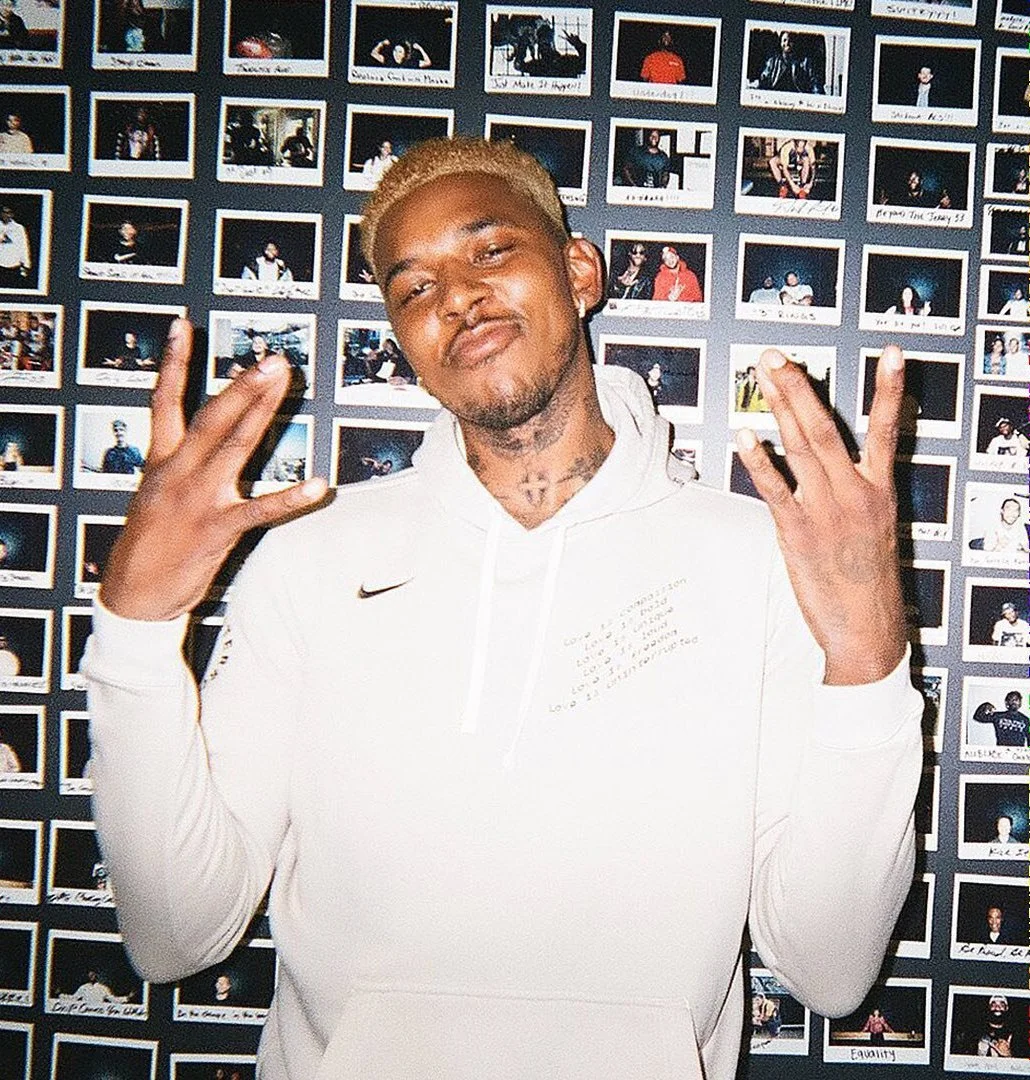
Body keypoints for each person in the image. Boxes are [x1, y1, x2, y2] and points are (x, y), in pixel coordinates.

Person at [84, 136, 923, 1078]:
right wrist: (137, 627)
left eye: (489, 250)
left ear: (579, 272)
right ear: (401, 339)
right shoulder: (312, 560)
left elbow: (829, 970)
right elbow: (173, 936)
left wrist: (867, 657)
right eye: (414, 288)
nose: (456, 296)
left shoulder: (760, 560)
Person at [755, 30, 821, 94]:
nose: (787, 43)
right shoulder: (772, 62)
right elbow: (764, 80)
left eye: (790, 40)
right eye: (784, 40)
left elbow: (814, 82)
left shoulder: (805, 62)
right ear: (780, 43)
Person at [0, 205, 29, 286]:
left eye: (8, 213)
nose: (6, 215)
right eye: (4, 212)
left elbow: (23, 246)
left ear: (12, 214)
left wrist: (26, 264)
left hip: (13, 264)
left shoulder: (19, 228)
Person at [366, 37, 432, 69]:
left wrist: (420, 49)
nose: (397, 53)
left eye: (400, 52)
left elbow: (428, 62)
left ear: (404, 54)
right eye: (395, 50)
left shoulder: (411, 63)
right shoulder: (388, 60)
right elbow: (373, 54)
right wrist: (381, 44)